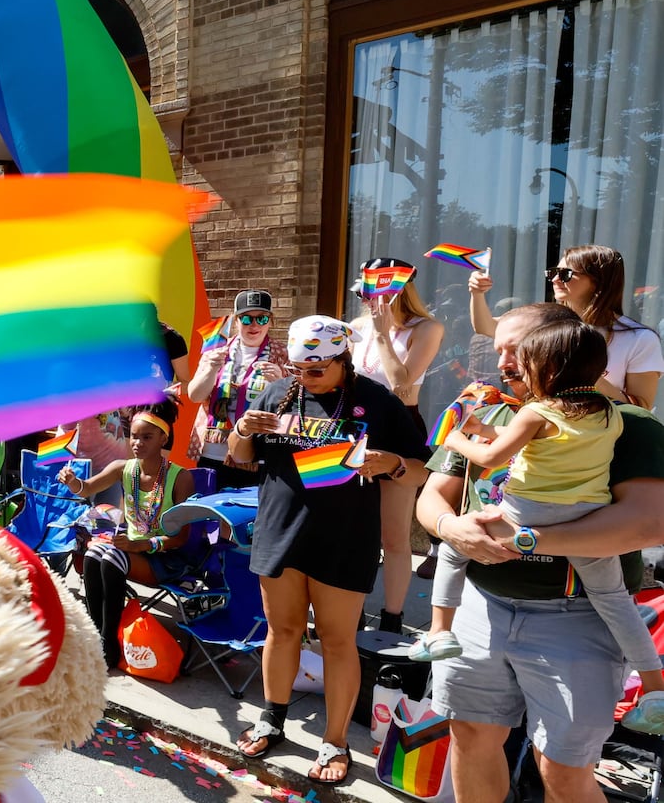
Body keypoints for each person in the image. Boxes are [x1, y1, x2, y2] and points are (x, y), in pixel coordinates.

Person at [418, 302, 664, 803]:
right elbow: (432, 498)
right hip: (479, 608)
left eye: (515, 350)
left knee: (562, 768)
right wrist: (452, 529)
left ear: (553, 348)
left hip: (577, 617)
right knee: (471, 735)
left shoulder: (630, 422)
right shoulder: (483, 410)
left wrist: (528, 539)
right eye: (499, 349)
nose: (503, 362)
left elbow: (645, 523)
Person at [226, 315, 429, 786]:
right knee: (283, 629)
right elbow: (241, 455)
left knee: (338, 642)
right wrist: (241, 429)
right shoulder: (278, 394)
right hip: (280, 530)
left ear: (344, 360)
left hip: (344, 537)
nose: (305, 377)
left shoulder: (377, 401)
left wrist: (394, 464)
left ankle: (335, 741)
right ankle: (271, 718)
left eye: (316, 369)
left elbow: (423, 469)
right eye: (299, 369)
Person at [58, 401, 197, 670]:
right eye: (134, 436)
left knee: (110, 559)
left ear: (163, 439)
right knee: (95, 552)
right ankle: (97, 637)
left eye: (147, 437)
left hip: (165, 558)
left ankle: (109, 642)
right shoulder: (124, 468)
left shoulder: (180, 478)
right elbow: (86, 488)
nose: (138, 443)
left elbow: (181, 539)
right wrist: (72, 481)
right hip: (130, 550)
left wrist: (143, 544)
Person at [349, 258, 445, 631]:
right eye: (367, 288)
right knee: (354, 528)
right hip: (355, 427)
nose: (372, 296)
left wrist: (382, 334)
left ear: (401, 289)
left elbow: (401, 385)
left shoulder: (427, 327)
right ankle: (351, 607)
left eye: (381, 288)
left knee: (393, 534)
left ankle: (392, 616)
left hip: (398, 425)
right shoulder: (356, 327)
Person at [471, 244, 663, 409]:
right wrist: (477, 294)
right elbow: (486, 327)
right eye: (553, 272)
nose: (554, 279)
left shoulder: (639, 339)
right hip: (545, 431)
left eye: (565, 274)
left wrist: (584, 373)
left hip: (606, 441)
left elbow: (640, 410)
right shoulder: (547, 322)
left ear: (598, 281)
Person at [186, 289, 288, 490]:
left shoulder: (283, 354)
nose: (254, 325)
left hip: (255, 453)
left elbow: (293, 405)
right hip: (212, 451)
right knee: (209, 516)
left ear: (271, 321)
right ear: (236, 320)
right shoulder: (216, 349)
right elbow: (195, 396)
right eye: (247, 319)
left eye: (262, 318)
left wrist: (280, 380)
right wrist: (211, 370)